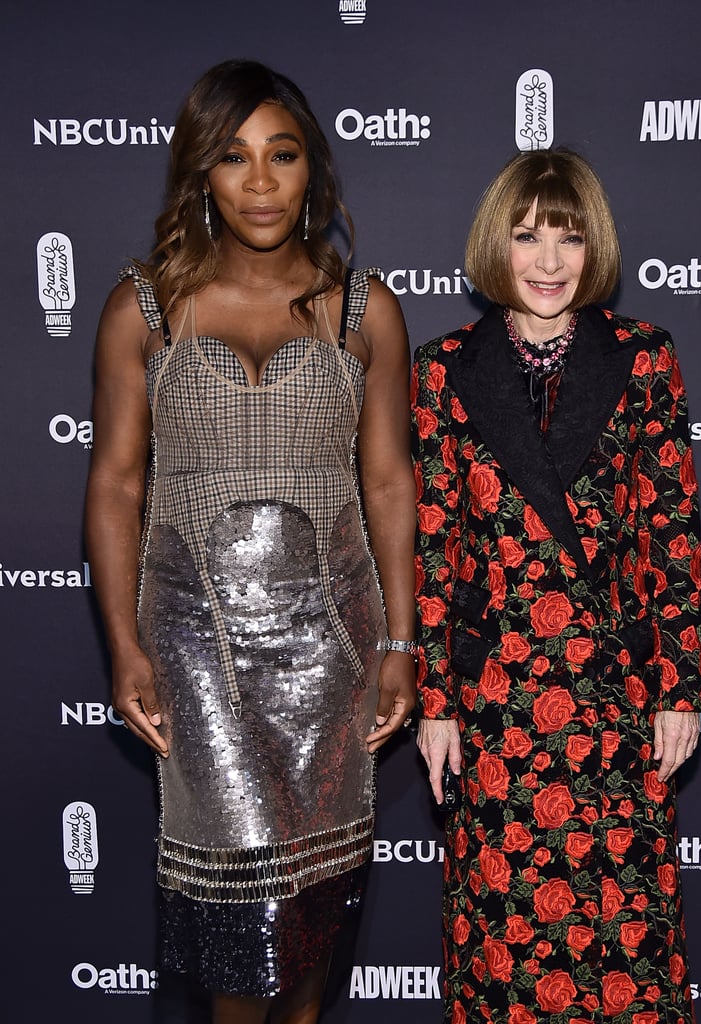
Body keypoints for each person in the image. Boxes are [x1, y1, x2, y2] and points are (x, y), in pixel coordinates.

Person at [85, 59, 417, 1024]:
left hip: (335, 643)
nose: (262, 183)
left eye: (283, 155)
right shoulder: (142, 308)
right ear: (201, 173)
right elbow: (114, 484)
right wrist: (126, 646)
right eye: (234, 158)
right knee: (237, 938)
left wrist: (401, 642)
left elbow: (392, 483)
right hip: (195, 643)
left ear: (312, 169)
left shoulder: (366, 309)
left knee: (315, 928)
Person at [412, 149, 701, 1023]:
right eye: (528, 235)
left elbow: (672, 533)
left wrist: (679, 685)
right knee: (502, 942)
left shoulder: (645, 358)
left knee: (623, 940)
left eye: (569, 239)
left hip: (612, 698)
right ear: (494, 245)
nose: (547, 262)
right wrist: (436, 696)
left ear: (595, 249)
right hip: (497, 699)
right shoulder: (443, 369)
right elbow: (436, 542)